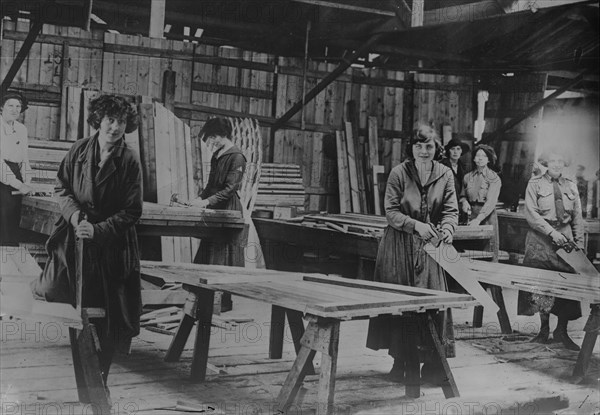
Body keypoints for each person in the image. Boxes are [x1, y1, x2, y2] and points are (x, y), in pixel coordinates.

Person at [32, 95, 143, 390]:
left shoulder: (129, 160)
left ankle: (96, 383)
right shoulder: (80, 148)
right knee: (57, 291)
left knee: (105, 310)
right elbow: (62, 186)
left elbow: (132, 211)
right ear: (99, 120)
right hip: (75, 235)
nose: (115, 127)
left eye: (121, 122)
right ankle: (85, 379)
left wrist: (99, 230)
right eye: (109, 119)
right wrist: (73, 216)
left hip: (111, 244)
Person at [366, 125, 458, 384]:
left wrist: (449, 229)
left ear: (437, 148)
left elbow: (451, 210)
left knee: (433, 302)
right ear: (411, 148)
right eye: (418, 146)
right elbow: (391, 212)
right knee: (399, 304)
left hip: (430, 247)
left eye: (429, 146)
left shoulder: (445, 174)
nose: (424, 151)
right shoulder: (399, 172)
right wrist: (415, 225)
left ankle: (432, 363)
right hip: (399, 245)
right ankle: (400, 362)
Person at [517, 148, 583, 351]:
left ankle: (561, 332)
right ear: (546, 162)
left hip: (565, 240)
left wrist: (579, 244)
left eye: (560, 160)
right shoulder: (535, 184)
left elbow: (578, 218)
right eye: (552, 160)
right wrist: (550, 232)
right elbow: (531, 214)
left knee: (566, 285)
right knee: (541, 284)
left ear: (565, 163)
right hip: (540, 240)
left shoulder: (571, 186)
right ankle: (543, 330)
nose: (556, 164)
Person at [190, 118, 246, 309]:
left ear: (223, 135)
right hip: (215, 207)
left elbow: (230, 189)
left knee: (222, 256)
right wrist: (199, 200)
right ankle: (202, 298)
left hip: (228, 210)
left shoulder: (237, 157)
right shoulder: (217, 155)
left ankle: (221, 303)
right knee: (209, 251)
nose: (211, 141)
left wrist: (207, 202)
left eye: (213, 137)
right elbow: (211, 185)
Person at [0, 91, 35, 245]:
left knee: (13, 221)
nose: (14, 109)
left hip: (15, 176)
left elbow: (24, 158)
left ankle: (11, 261)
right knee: (3, 222)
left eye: (18, 106)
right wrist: (17, 184)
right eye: (10, 106)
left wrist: (27, 180)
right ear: (1, 107)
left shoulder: (21, 129)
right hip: (2, 176)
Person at [459, 144, 502, 248]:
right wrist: (464, 202)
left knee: (486, 248)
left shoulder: (494, 178)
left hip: (486, 216)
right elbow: (462, 196)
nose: (480, 158)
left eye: (484, 156)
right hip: (470, 215)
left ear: (489, 159)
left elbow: (490, 202)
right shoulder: (467, 177)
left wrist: (478, 220)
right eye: (478, 155)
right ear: (474, 158)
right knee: (469, 247)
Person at [441, 139, 469, 224]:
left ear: (461, 151)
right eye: (453, 149)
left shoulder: (464, 168)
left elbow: (465, 187)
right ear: (448, 151)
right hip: (444, 204)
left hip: (459, 205)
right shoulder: (441, 166)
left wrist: (464, 200)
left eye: (458, 149)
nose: (455, 152)